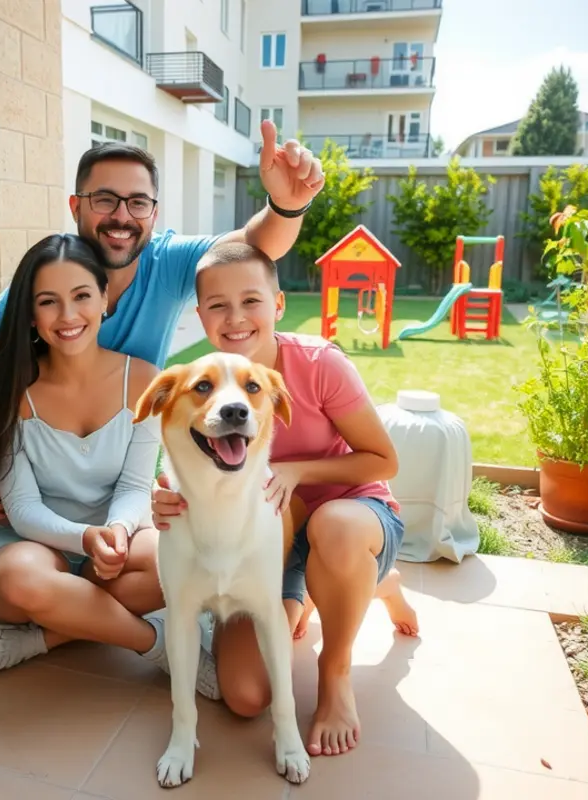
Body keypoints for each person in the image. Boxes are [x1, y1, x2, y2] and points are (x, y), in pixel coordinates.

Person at [0, 120, 325, 527]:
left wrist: (286, 205)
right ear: (76, 207)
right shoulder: (30, 300)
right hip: (42, 495)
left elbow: (253, 247)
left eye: (138, 202)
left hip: (127, 490)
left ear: (154, 213)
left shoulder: (168, 262)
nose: (122, 217)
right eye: (105, 200)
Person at [151, 242, 419, 757]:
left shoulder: (319, 365)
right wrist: (162, 494)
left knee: (335, 531)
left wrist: (294, 470)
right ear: (201, 314)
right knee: (247, 695)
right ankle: (357, 587)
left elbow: (384, 461)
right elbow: (177, 452)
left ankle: (336, 669)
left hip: (350, 512)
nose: (235, 318)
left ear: (278, 304)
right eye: (218, 305)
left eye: (251, 301)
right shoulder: (199, 381)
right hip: (271, 533)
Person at [0, 233, 219, 698]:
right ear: (31, 315)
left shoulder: (144, 380)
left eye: (81, 296)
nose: (68, 316)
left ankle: (46, 635)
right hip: (28, 542)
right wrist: (84, 539)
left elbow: (135, 484)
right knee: (20, 581)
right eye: (49, 302)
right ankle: (159, 645)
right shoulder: (12, 390)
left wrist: (113, 531)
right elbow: (23, 508)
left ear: (105, 298)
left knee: (195, 560)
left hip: (117, 536)